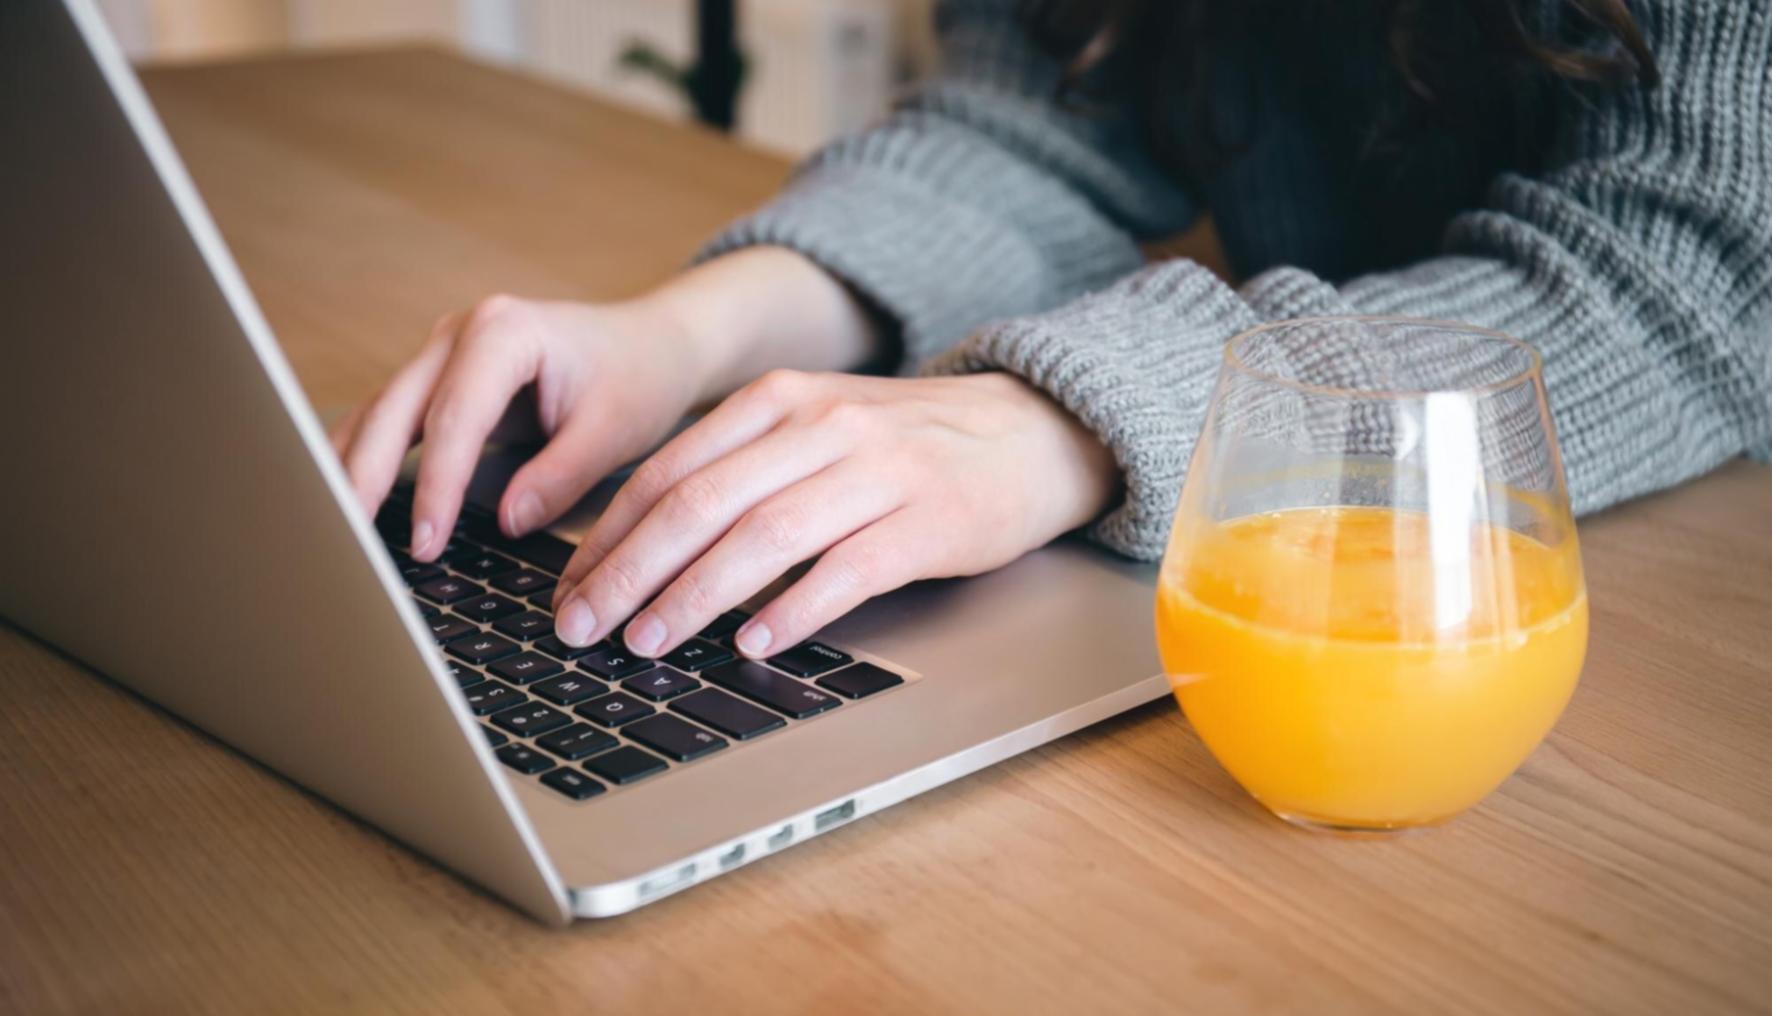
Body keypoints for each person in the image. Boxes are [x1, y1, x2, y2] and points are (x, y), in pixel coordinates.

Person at [332, 0, 1770, 665]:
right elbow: (1034, 124)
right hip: (1322, 562)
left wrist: (1062, 415)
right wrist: (687, 331)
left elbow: (1679, 272)